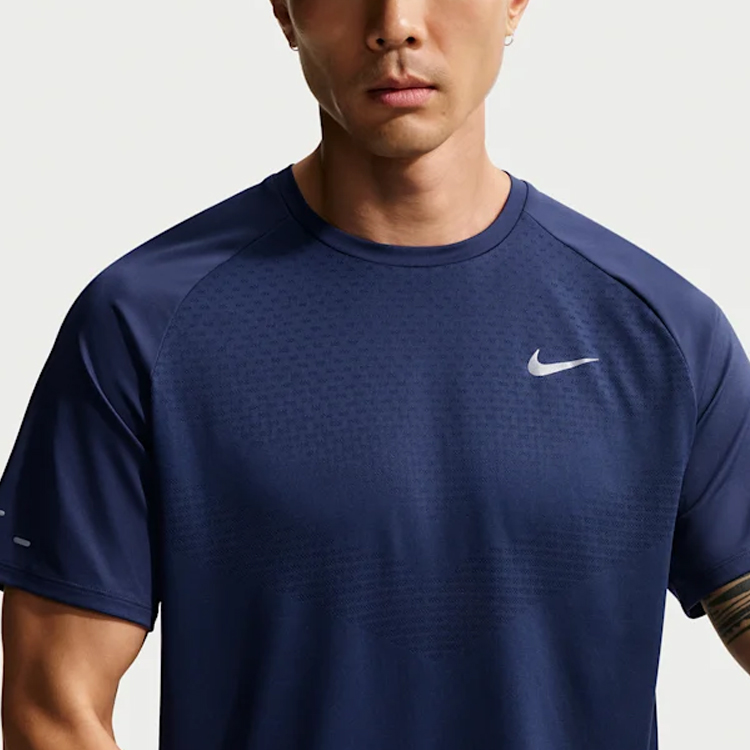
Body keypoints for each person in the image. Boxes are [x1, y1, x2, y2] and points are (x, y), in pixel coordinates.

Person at [1, 0, 749, 747]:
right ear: (284, 10)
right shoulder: (144, 326)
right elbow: (51, 704)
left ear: (515, 4)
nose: (396, 23)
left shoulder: (662, 333)